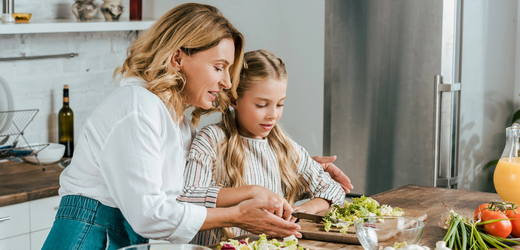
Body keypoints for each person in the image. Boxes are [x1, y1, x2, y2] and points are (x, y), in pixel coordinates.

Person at [42, 3, 352, 250]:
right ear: (177, 58)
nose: (227, 82)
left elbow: (187, 193)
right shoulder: (137, 109)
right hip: (89, 236)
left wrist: (294, 166)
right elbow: (150, 215)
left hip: (119, 236)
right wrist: (238, 216)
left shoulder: (176, 120)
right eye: (218, 67)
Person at [178, 50, 346, 246]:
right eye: (261, 105)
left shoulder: (285, 147)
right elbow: (188, 197)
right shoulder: (211, 139)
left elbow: (334, 190)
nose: (272, 115)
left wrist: (309, 208)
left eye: (280, 104)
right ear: (234, 99)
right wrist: (253, 191)